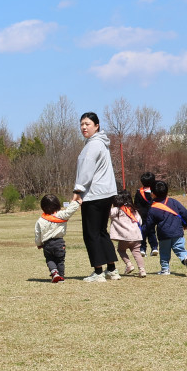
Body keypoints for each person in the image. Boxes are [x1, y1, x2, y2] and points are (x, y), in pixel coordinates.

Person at [71, 112, 120, 282]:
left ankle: (98, 272)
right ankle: (111, 269)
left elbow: (86, 169)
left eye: (87, 124)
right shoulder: (102, 143)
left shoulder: (93, 145)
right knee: (101, 232)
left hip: (93, 195)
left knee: (91, 233)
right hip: (106, 193)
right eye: (82, 124)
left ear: (97, 126)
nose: (84, 127)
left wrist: (78, 190)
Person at [143, 181, 187, 276]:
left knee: (164, 252)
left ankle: (165, 269)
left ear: (153, 194)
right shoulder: (173, 202)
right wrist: (186, 224)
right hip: (177, 231)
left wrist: (141, 232)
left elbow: (149, 224)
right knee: (180, 249)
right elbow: (184, 212)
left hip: (164, 234)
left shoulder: (153, 208)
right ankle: (185, 258)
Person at [34, 193, 80, 282]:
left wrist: (39, 244)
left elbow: (37, 234)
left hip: (47, 244)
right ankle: (61, 277)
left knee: (50, 259)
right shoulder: (61, 215)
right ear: (57, 204)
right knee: (60, 261)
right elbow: (70, 210)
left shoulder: (40, 220)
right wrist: (77, 202)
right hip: (59, 243)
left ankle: (54, 272)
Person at [108, 191, 146, 277]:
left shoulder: (116, 210)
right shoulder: (134, 210)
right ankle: (142, 270)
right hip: (136, 237)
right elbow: (140, 221)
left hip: (124, 237)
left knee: (121, 250)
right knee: (137, 253)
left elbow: (106, 213)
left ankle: (129, 264)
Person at [134, 172, 159, 256]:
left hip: (142, 215)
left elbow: (136, 204)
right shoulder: (155, 192)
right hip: (152, 214)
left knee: (142, 232)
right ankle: (154, 247)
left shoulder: (139, 192)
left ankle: (142, 249)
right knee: (152, 232)